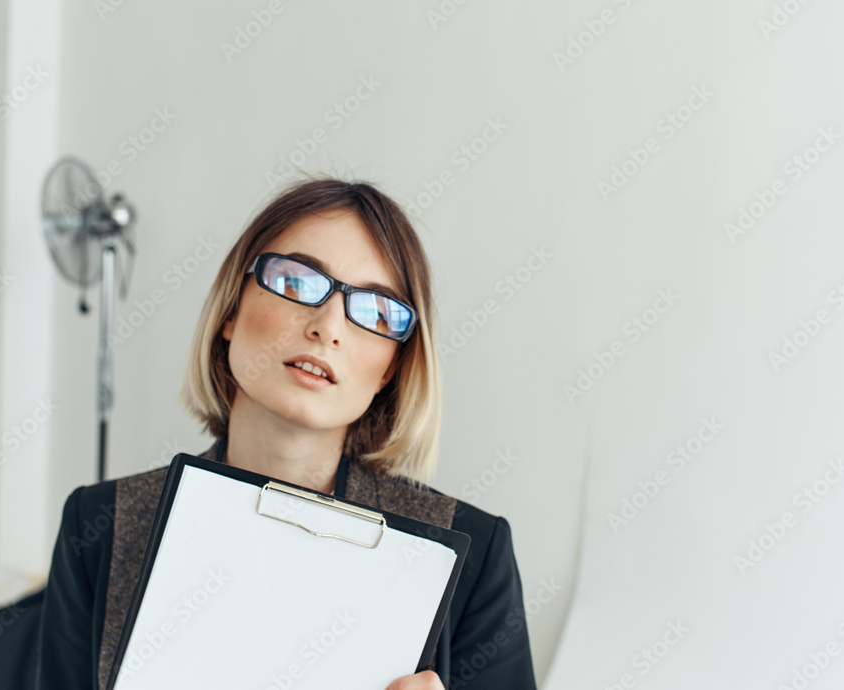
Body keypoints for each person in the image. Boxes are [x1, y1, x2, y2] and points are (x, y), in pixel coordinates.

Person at [35, 178, 537, 690]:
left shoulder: (475, 556)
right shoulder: (99, 525)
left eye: (376, 311)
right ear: (231, 309)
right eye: (298, 282)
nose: (329, 325)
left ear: (391, 368)